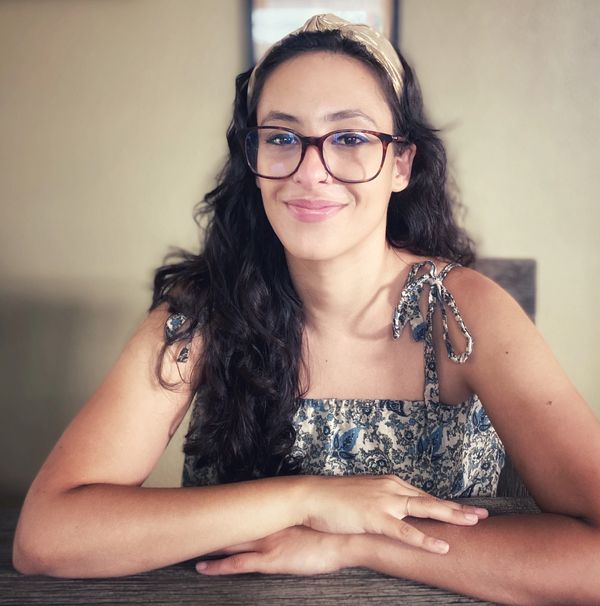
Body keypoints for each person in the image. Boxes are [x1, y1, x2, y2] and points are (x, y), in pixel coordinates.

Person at [12, 13, 600, 603]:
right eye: (282, 136)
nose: (310, 172)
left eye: (349, 138)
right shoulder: (202, 313)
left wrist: (356, 542)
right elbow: (48, 536)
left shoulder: (463, 313)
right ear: (253, 157)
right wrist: (308, 497)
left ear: (401, 164)